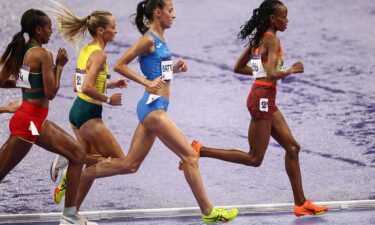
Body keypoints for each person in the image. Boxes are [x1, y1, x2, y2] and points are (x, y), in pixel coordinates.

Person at [80, 0, 238, 223]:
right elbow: (120, 65)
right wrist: (145, 82)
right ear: (157, 13)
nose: (174, 16)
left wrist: (174, 69)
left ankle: (77, 175)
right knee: (190, 155)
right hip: (152, 108)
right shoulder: (148, 39)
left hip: (156, 106)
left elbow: (157, 72)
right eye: (170, 11)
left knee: (130, 165)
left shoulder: (161, 41)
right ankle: (208, 212)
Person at [179, 0, 328, 217]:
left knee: (293, 148)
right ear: (272, 19)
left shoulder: (260, 39)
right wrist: (290, 70)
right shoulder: (273, 41)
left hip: (264, 97)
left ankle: (301, 203)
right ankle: (200, 150)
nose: (287, 21)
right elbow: (270, 74)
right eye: (284, 17)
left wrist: (264, 73)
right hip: (262, 100)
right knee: (254, 159)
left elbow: (240, 67)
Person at [0, 8, 99, 225]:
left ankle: (70, 216)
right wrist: (60, 66)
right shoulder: (44, 55)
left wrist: (25, 84)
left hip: (31, 120)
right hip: (30, 124)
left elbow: (3, 81)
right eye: (48, 27)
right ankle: (69, 214)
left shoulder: (24, 52)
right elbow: (51, 93)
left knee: (77, 153)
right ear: (38, 29)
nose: (51, 31)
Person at [47, 1, 127, 210]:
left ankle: (71, 214)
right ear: (102, 30)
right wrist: (109, 99)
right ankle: (67, 160)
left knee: (92, 161)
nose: (116, 31)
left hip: (77, 111)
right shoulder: (100, 55)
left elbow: (77, 85)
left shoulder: (86, 50)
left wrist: (110, 83)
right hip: (89, 114)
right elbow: (86, 87)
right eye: (113, 27)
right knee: (119, 161)